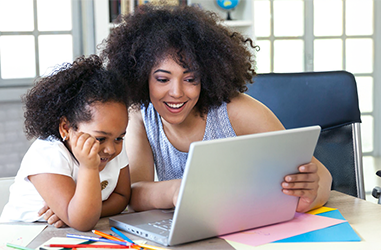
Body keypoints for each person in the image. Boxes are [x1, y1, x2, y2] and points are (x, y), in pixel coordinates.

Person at [99, 4, 332, 213]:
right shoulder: (141, 117)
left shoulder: (237, 112)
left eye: (190, 79)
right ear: (141, 78)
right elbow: (135, 193)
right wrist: (177, 191)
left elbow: (322, 176)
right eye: (162, 79)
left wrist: (309, 194)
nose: (177, 92)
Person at [0, 55, 131, 231]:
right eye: (99, 139)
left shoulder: (111, 149)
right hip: (23, 236)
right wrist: (88, 168)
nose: (110, 149)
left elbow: (122, 196)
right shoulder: (47, 154)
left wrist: (80, 214)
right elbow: (82, 222)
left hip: (66, 234)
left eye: (119, 138)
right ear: (66, 128)